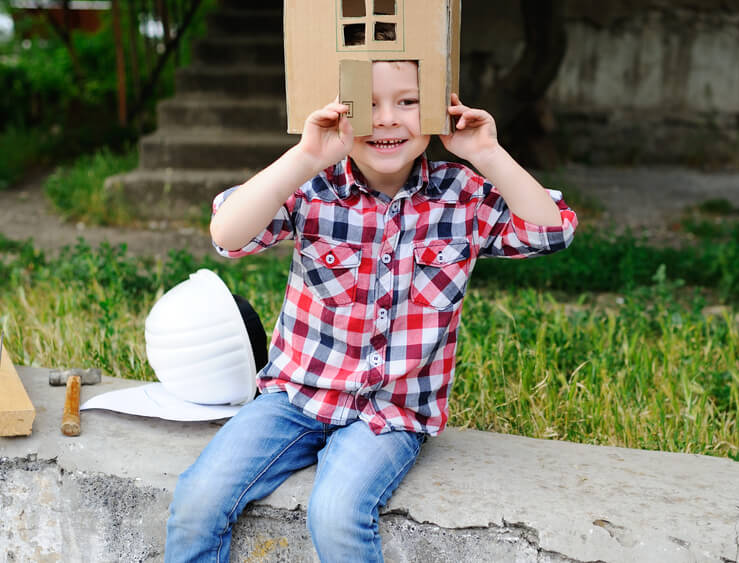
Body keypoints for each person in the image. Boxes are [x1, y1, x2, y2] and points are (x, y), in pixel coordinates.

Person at [165, 60, 577, 562]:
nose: (385, 120)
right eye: (365, 103)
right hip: (295, 398)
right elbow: (228, 235)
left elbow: (551, 232)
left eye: (407, 102)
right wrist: (306, 155)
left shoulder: (461, 195)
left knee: (336, 514)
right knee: (197, 499)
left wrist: (488, 154)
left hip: (391, 415)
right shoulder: (314, 186)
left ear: (440, 108)